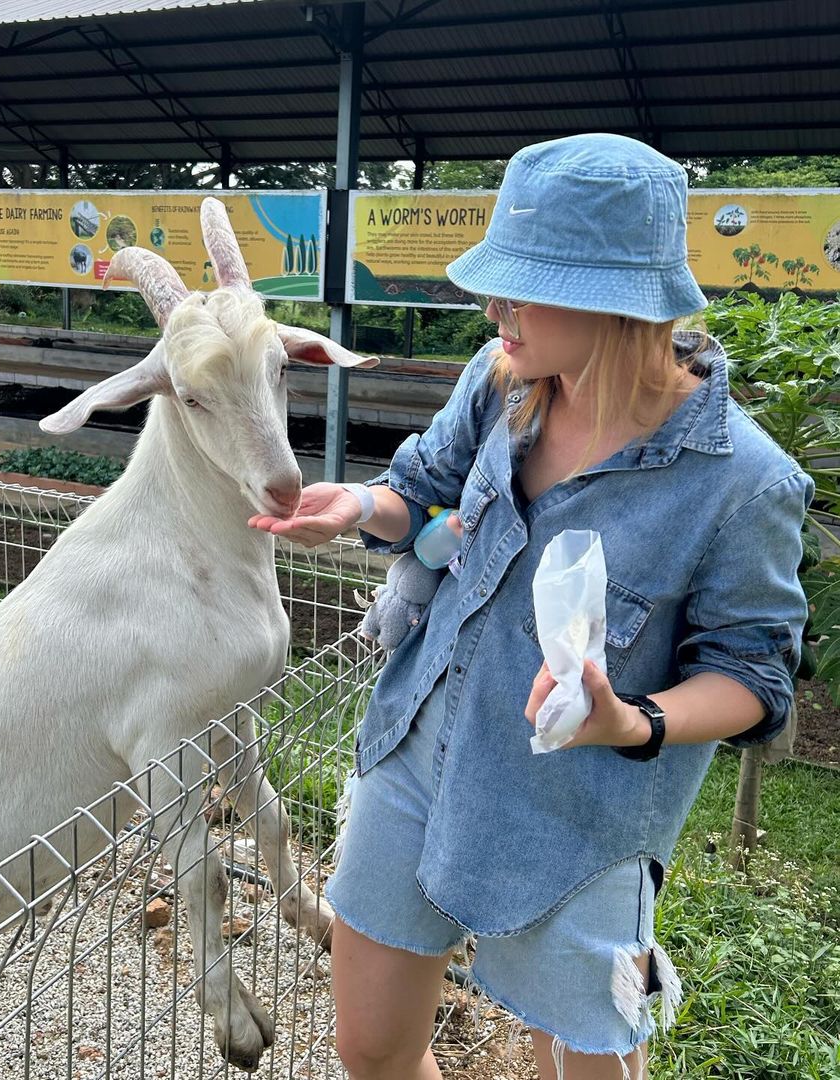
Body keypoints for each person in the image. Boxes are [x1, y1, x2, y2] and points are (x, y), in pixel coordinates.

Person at [249, 132, 811, 1080]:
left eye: (525, 281)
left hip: (578, 822)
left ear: (616, 297)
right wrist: (357, 506)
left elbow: (752, 675)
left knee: (588, 1068)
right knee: (373, 1052)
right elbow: (420, 490)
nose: (494, 304)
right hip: (417, 755)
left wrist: (627, 720)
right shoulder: (501, 382)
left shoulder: (742, 482)